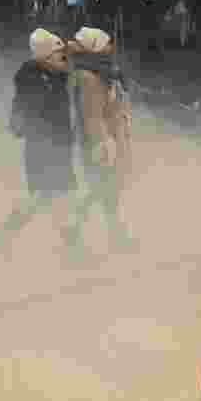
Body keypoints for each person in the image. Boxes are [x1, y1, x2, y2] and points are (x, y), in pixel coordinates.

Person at [0, 28, 79, 255]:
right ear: (44, 59)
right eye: (58, 56)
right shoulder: (33, 80)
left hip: (57, 147)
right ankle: (72, 250)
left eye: (63, 56)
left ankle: (5, 234)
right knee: (58, 199)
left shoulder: (54, 76)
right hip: (43, 150)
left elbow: (66, 59)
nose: (64, 59)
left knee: (45, 199)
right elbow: (30, 116)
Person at [66, 27, 135, 250]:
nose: (111, 48)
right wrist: (101, 143)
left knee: (105, 191)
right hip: (99, 144)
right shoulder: (88, 78)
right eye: (106, 44)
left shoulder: (101, 74)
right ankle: (75, 231)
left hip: (107, 140)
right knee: (100, 189)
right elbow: (91, 115)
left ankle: (110, 234)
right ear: (95, 49)